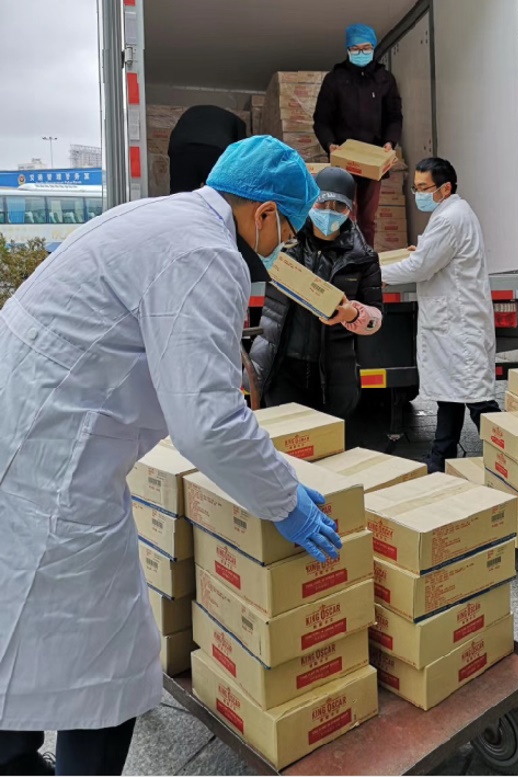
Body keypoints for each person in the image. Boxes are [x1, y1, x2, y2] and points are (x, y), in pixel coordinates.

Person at [0, 136, 342, 777]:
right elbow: (207, 423)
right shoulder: (206, 253)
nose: (283, 246)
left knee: (24, 628)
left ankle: (14, 760)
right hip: (55, 468)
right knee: (110, 660)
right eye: (287, 231)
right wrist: (284, 501)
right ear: (265, 213)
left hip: (28, 438)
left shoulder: (159, 217)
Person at [379, 157, 500, 473]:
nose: (418, 194)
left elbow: (421, 267)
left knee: (477, 398)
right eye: (415, 188)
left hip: (459, 325)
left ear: (445, 188)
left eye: (423, 188)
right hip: (454, 323)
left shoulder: (449, 218)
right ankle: (440, 458)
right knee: (451, 393)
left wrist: (379, 273)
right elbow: (430, 256)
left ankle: (510, 456)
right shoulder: (451, 213)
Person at [247, 167, 383, 421]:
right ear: (310, 202)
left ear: (350, 209)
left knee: (329, 440)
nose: (329, 212)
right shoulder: (284, 241)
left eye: (339, 206)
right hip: (281, 366)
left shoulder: (362, 257)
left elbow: (376, 317)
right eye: (322, 204)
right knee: (286, 439)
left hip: (334, 375)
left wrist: (353, 314)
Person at [313, 23, 403, 247]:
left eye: (366, 48)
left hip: (374, 159)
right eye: (355, 49)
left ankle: (365, 258)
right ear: (347, 50)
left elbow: (394, 116)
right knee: (341, 213)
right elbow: (321, 120)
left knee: (367, 219)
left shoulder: (384, 80)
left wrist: (390, 143)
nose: (361, 53)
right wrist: (330, 144)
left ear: (373, 48)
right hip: (344, 159)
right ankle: (340, 256)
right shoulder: (335, 80)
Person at [167, 105, 268, 282]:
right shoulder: (239, 126)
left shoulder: (202, 116)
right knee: (224, 206)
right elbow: (242, 159)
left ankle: (177, 252)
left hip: (181, 146)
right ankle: (235, 263)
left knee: (180, 202)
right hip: (216, 148)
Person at [168, 105, 247, 194]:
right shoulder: (239, 123)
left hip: (182, 147)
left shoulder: (194, 112)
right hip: (216, 149)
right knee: (217, 194)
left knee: (181, 194)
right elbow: (243, 152)